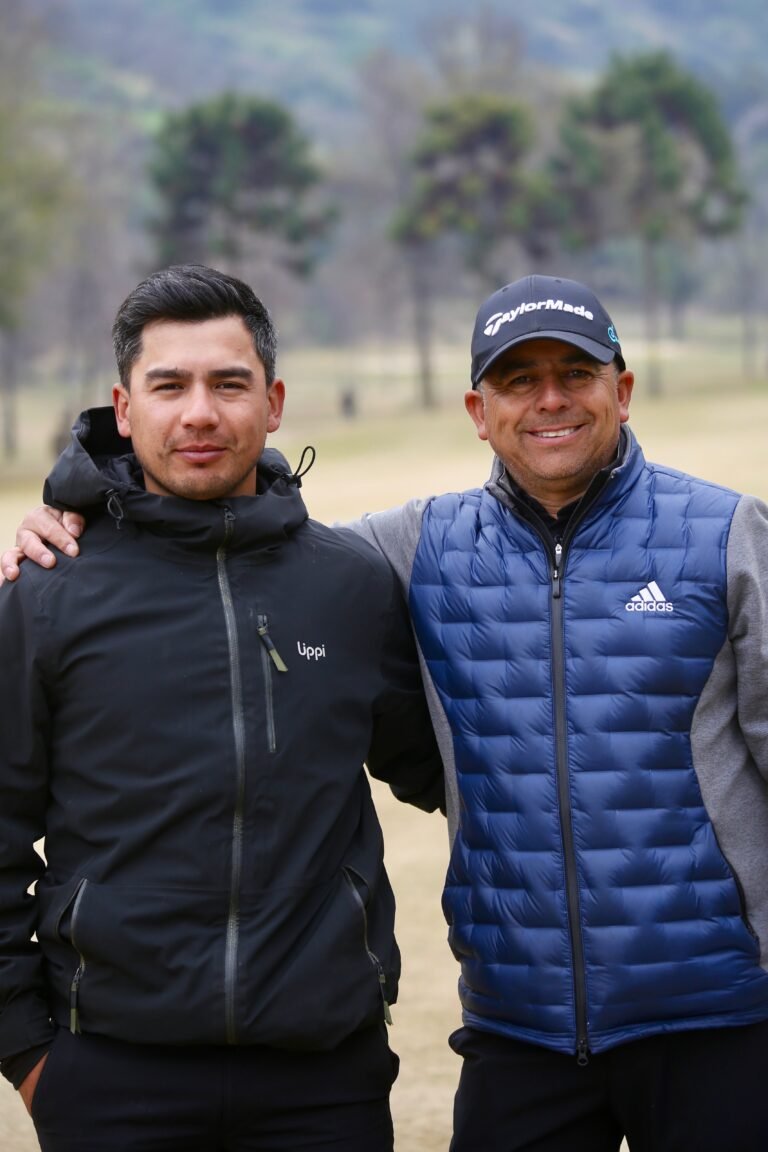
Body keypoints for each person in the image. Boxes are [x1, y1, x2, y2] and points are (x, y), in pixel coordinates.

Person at [8, 273, 768, 1152]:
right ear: (478, 411)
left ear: (622, 391)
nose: (550, 401)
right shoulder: (408, 549)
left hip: (718, 1016)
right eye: (519, 380)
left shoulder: (726, 536)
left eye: (576, 374)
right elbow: (228, 554)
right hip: (520, 1036)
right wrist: (76, 511)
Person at [0, 263, 444, 1152]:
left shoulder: (351, 586)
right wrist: (28, 1053)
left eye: (229, 384)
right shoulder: (47, 594)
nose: (199, 412)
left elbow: (446, 771)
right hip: (110, 1077)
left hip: (324, 1080)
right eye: (169, 386)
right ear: (125, 408)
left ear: (273, 403)